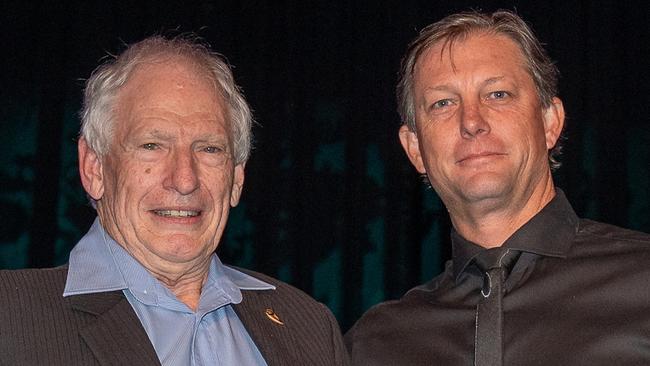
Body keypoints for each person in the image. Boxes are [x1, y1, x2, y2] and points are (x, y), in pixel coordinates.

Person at [0, 36, 349, 366]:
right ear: (94, 168)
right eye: (152, 145)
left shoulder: (310, 327)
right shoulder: (11, 315)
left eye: (209, 149)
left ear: (237, 178)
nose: (184, 180)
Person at [345, 10, 650, 365]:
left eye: (498, 94)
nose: (471, 122)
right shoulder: (374, 343)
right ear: (415, 149)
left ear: (550, 122)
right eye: (443, 103)